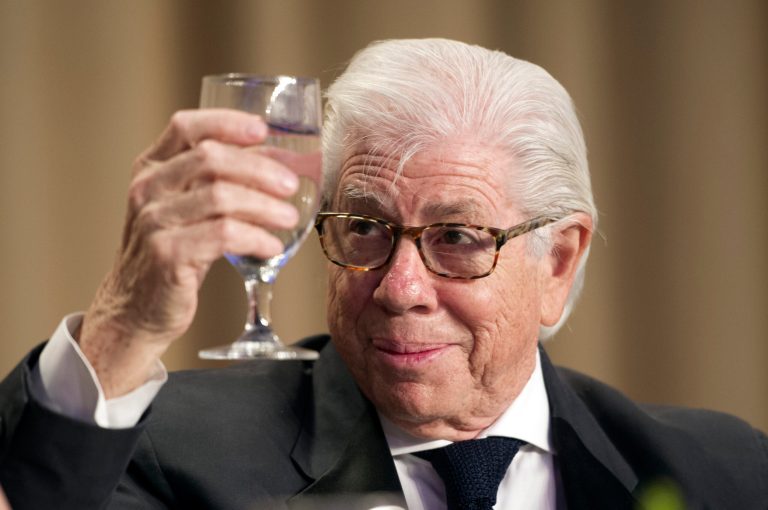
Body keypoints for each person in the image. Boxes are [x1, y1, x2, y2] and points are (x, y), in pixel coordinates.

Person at [0, 38, 765, 510]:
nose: (399, 289)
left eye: (459, 237)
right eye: (365, 227)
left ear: (558, 260)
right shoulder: (162, 449)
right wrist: (123, 327)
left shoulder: (724, 470)